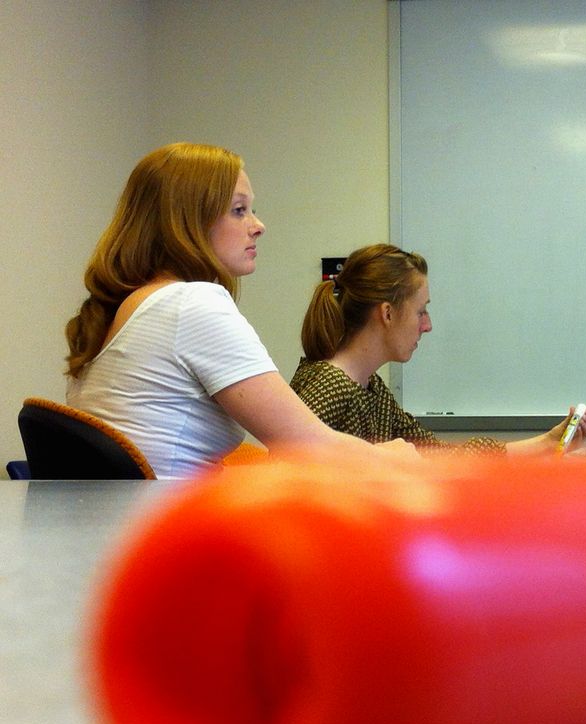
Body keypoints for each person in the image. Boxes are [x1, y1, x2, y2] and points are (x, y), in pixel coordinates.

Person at [64, 142, 419, 477]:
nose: (258, 226)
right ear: (188, 221)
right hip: (169, 526)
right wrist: (398, 458)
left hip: (132, 525)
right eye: (239, 210)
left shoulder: (131, 305)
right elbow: (306, 447)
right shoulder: (191, 303)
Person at [289, 243, 586, 456]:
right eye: (421, 312)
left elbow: (439, 457)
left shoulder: (371, 389)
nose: (427, 325)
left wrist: (548, 441)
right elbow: (289, 481)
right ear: (387, 313)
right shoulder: (328, 387)